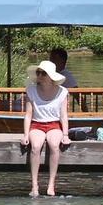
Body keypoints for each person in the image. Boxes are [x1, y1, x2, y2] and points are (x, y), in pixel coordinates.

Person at [20, 60, 70, 197]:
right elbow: (28, 115)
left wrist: (65, 135)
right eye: (38, 72)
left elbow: (63, 116)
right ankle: (34, 185)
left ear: (51, 76)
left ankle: (51, 184)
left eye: (43, 73)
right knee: (36, 146)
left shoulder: (62, 92)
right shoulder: (31, 90)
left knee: (54, 145)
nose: (40, 75)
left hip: (54, 124)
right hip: (37, 124)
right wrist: (25, 135)